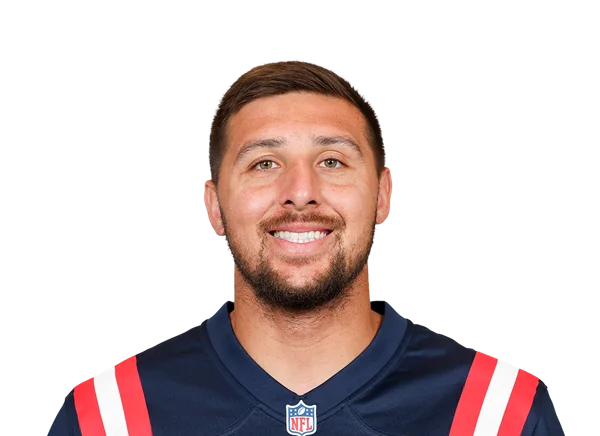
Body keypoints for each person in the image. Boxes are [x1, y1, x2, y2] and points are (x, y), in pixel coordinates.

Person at [48, 59, 564, 435]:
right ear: (213, 205)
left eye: (332, 161)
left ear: (383, 196)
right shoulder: (112, 417)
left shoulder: (498, 414)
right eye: (264, 163)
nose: (300, 191)